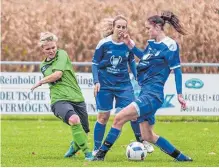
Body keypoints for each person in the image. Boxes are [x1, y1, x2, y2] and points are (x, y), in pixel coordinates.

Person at [93, 11, 193, 161]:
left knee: (119, 118)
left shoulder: (170, 45)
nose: (146, 31)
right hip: (146, 93)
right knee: (148, 136)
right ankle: (182, 158)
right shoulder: (152, 45)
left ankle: (99, 155)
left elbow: (177, 70)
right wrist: (129, 44)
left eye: (148, 28)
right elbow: (143, 57)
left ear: (157, 27)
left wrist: (179, 94)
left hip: (152, 95)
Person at [92, 15, 154, 155]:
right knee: (103, 117)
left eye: (123, 27)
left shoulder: (128, 43)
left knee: (133, 114)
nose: (120, 29)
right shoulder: (103, 43)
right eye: (118, 26)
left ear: (126, 28)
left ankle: (142, 141)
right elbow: (95, 63)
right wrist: (96, 81)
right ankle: (96, 149)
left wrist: (138, 77)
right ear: (113, 28)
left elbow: (131, 61)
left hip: (123, 85)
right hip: (105, 85)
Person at [31, 32, 93, 160]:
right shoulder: (43, 66)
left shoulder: (62, 54)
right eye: (48, 48)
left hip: (76, 96)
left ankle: (72, 148)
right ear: (42, 49)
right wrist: (45, 80)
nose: (51, 50)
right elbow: (54, 76)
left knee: (85, 131)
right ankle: (88, 154)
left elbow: (57, 74)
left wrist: (41, 82)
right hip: (58, 99)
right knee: (74, 120)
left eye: (53, 47)